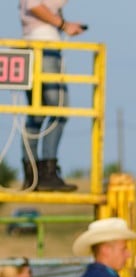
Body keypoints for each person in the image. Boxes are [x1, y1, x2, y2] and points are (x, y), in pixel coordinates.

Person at [18, 0, 84, 192]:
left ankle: (32, 175)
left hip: (35, 43)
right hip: (44, 46)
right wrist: (64, 25)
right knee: (58, 111)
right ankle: (47, 172)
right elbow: (34, 5)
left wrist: (63, 24)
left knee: (37, 114)